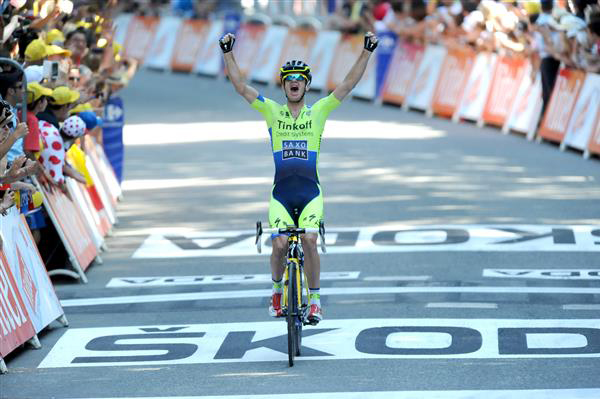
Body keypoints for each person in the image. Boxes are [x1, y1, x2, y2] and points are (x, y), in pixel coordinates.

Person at [219, 30, 379, 324]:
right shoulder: (273, 112)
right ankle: (277, 292)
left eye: (299, 79)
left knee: (309, 240)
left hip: (310, 193)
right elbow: (241, 87)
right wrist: (227, 52)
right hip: (281, 193)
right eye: (289, 79)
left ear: (306, 85)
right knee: (279, 244)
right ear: (284, 85)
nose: (294, 82)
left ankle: (315, 301)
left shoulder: (317, 112)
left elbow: (347, 85)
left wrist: (367, 51)